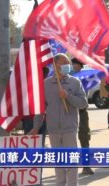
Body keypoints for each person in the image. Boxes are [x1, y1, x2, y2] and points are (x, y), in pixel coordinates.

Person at [33, 53, 88, 186]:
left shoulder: (75, 82)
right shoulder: (46, 84)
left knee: (71, 164)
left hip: (70, 129)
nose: (67, 65)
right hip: (53, 130)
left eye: (68, 62)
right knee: (59, 164)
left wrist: (67, 96)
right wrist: (36, 127)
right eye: (64, 63)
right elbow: (41, 109)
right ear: (55, 65)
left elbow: (83, 103)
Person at [70, 58, 94, 175]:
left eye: (77, 64)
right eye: (73, 64)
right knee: (69, 140)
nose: (75, 66)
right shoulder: (69, 77)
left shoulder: (85, 77)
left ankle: (86, 166)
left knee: (84, 138)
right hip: (71, 111)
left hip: (82, 111)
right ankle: (69, 167)